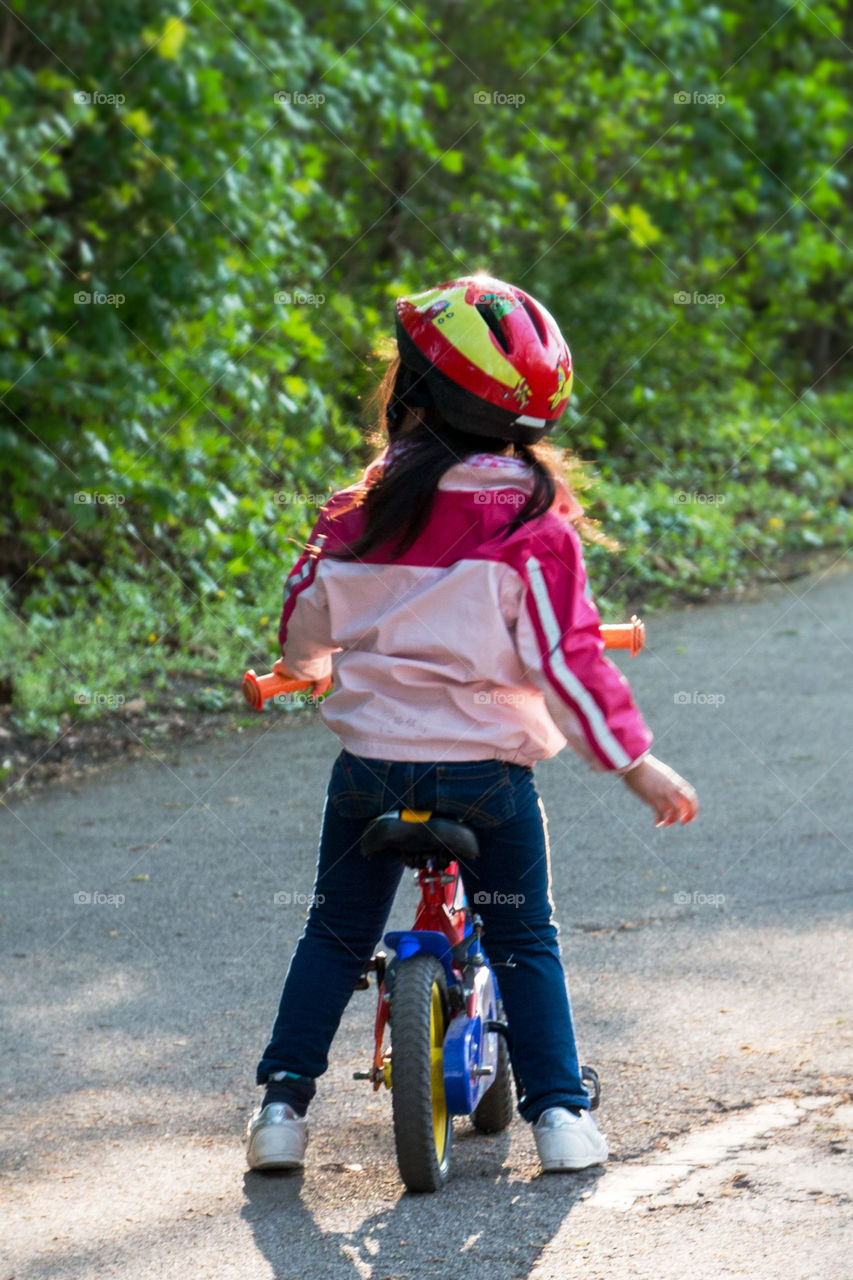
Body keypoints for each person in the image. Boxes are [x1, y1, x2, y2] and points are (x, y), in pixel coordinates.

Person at [247, 274, 698, 1176]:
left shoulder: (357, 511)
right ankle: (562, 1116)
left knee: (335, 933)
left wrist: (304, 673)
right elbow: (567, 659)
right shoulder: (533, 525)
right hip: (487, 777)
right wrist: (636, 763)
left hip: (372, 770)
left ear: (409, 397)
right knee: (524, 934)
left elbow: (304, 618)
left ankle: (279, 1111)